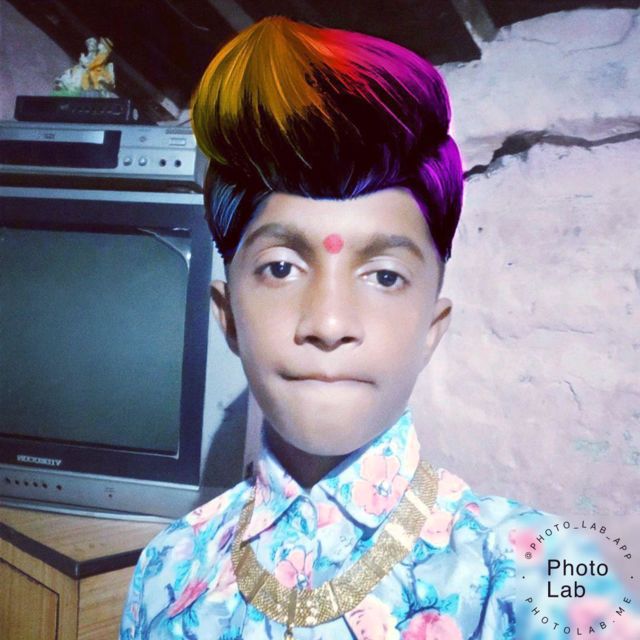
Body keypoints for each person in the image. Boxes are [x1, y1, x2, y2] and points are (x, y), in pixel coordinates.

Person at [120, 16, 637, 640]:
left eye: (385, 275)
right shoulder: (167, 567)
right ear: (228, 317)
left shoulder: (544, 574)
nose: (329, 323)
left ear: (432, 330)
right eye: (281, 268)